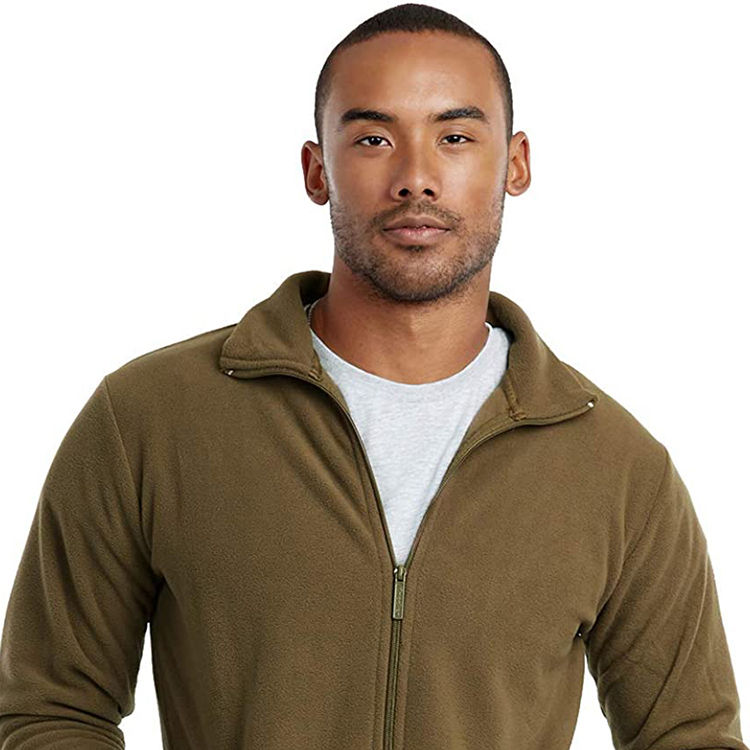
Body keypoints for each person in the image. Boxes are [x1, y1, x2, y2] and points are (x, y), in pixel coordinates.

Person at [0, 3, 746, 749]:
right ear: (316, 169)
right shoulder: (149, 419)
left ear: (515, 164)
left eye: (455, 137)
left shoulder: (618, 468)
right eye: (373, 139)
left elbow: (690, 736)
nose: (415, 178)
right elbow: (49, 709)